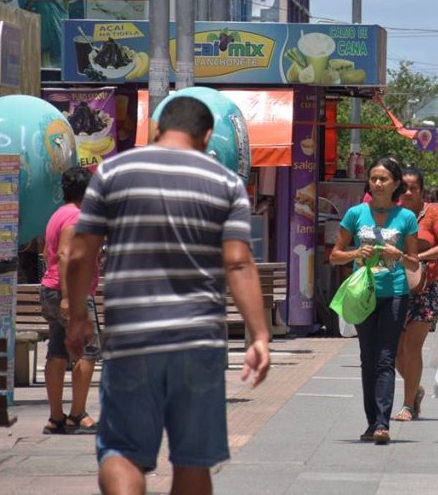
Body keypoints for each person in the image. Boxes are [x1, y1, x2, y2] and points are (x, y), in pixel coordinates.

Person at [64, 96, 271, 494]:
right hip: (198, 341)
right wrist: (259, 335)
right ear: (207, 136)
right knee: (193, 461)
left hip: (131, 339)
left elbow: (78, 251)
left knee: (121, 451)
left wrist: (77, 316)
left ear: (156, 128)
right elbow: (239, 263)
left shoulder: (113, 172)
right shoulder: (225, 182)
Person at [330, 158, 420, 445]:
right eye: (373, 178)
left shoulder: (406, 218)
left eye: (383, 179)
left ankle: (382, 423)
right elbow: (334, 255)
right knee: (367, 358)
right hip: (364, 294)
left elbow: (415, 263)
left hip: (395, 292)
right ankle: (372, 422)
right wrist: (356, 253)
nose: (378, 183)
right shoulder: (355, 214)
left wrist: (399, 256)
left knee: (385, 357)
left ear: (395, 184)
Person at [40, 166, 101, 435]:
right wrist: (67, 297)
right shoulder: (76, 218)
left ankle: (56, 417)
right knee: (88, 351)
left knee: (56, 351)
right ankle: (77, 414)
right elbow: (65, 255)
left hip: (50, 287)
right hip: (72, 292)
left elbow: (46, 253)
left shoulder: (57, 215)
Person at [393, 168, 438, 422]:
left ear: (422, 190)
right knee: (396, 351)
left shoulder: (431, 213)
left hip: (426, 288)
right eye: (405, 187)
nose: (408, 193)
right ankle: (415, 388)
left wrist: (419, 257)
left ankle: (407, 405)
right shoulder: (391, 212)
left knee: (411, 346)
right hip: (395, 286)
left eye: (414, 188)